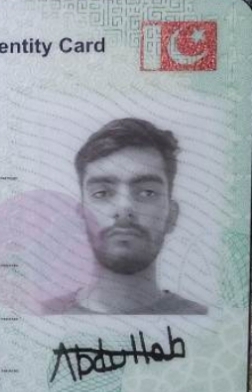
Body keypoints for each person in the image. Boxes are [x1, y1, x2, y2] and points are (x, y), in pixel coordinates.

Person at [42, 118, 208, 315]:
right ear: (82, 216)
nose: (124, 207)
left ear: (172, 216)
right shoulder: (41, 317)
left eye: (147, 192)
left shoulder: (203, 321)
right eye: (102, 193)